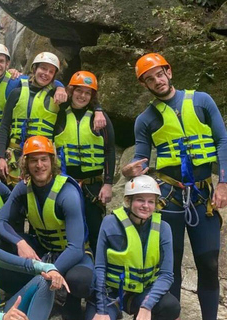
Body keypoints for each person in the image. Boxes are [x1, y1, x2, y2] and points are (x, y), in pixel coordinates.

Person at [122, 52, 227, 320]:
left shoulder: (202, 101)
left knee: (208, 262)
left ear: (169, 72)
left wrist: (223, 182)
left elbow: (222, 141)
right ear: (145, 85)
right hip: (169, 198)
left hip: (203, 195)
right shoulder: (146, 119)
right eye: (150, 79)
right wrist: (128, 171)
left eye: (160, 74)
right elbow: (140, 161)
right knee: (171, 265)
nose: (157, 81)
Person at [0, 135, 94, 320]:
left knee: (81, 281)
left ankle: (69, 302)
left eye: (44, 159)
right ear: (26, 164)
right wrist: (20, 242)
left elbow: (76, 247)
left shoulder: (67, 193)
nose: (39, 165)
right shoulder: (24, 187)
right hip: (43, 250)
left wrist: (51, 269)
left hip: (72, 254)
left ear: (52, 161)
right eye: (33, 160)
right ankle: (25, 292)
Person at [0, 52, 107, 188]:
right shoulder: (16, 93)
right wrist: (1, 157)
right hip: (15, 154)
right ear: (34, 69)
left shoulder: (57, 96)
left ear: (54, 76)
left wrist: (98, 109)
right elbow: (4, 127)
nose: (46, 73)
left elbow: (82, 100)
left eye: (51, 71)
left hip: (42, 157)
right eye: (43, 68)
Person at [85, 175, 180, 320]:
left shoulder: (163, 228)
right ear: (128, 201)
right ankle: (111, 313)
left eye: (151, 202)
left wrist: (147, 305)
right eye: (140, 200)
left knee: (171, 306)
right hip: (111, 293)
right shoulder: (109, 223)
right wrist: (102, 309)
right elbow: (100, 268)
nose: (146, 206)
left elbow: (166, 275)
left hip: (141, 294)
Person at [54, 71, 115, 255]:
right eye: (79, 91)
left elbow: (109, 150)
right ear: (71, 91)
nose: (82, 96)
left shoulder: (101, 118)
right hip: (66, 183)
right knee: (65, 230)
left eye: (88, 93)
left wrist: (108, 183)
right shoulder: (60, 115)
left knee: (96, 231)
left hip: (93, 186)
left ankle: (98, 276)